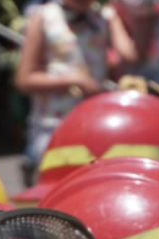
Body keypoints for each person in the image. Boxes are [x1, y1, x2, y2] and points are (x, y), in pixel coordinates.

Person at [14, 0, 138, 183]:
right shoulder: (43, 17)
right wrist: (74, 81)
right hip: (53, 127)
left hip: (96, 126)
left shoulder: (104, 17)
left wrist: (123, 13)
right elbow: (24, 80)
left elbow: (130, 55)